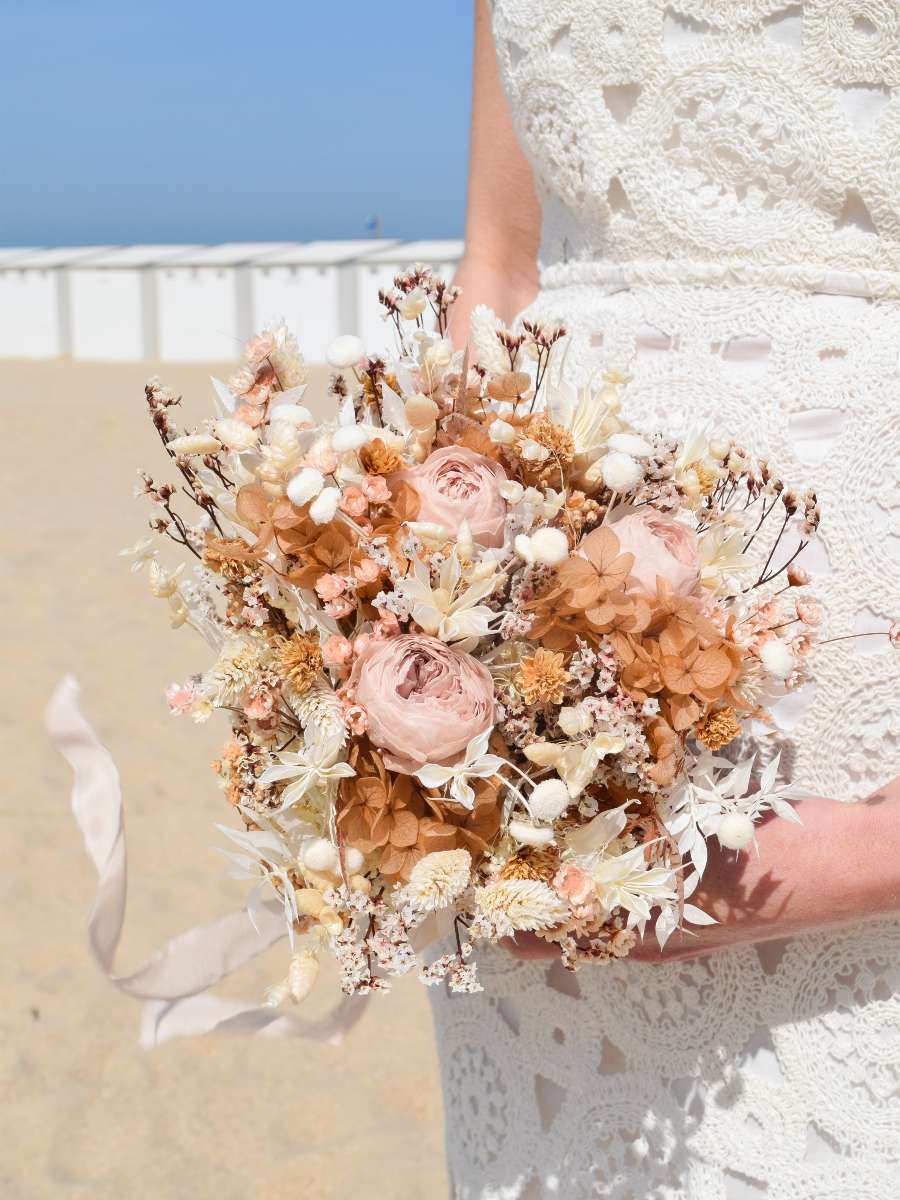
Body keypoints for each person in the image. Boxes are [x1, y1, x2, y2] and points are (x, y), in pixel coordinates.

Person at [431, 3, 900, 1195]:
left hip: (863, 706)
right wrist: (418, 610)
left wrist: (863, 852)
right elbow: (501, 259)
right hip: (552, 666)